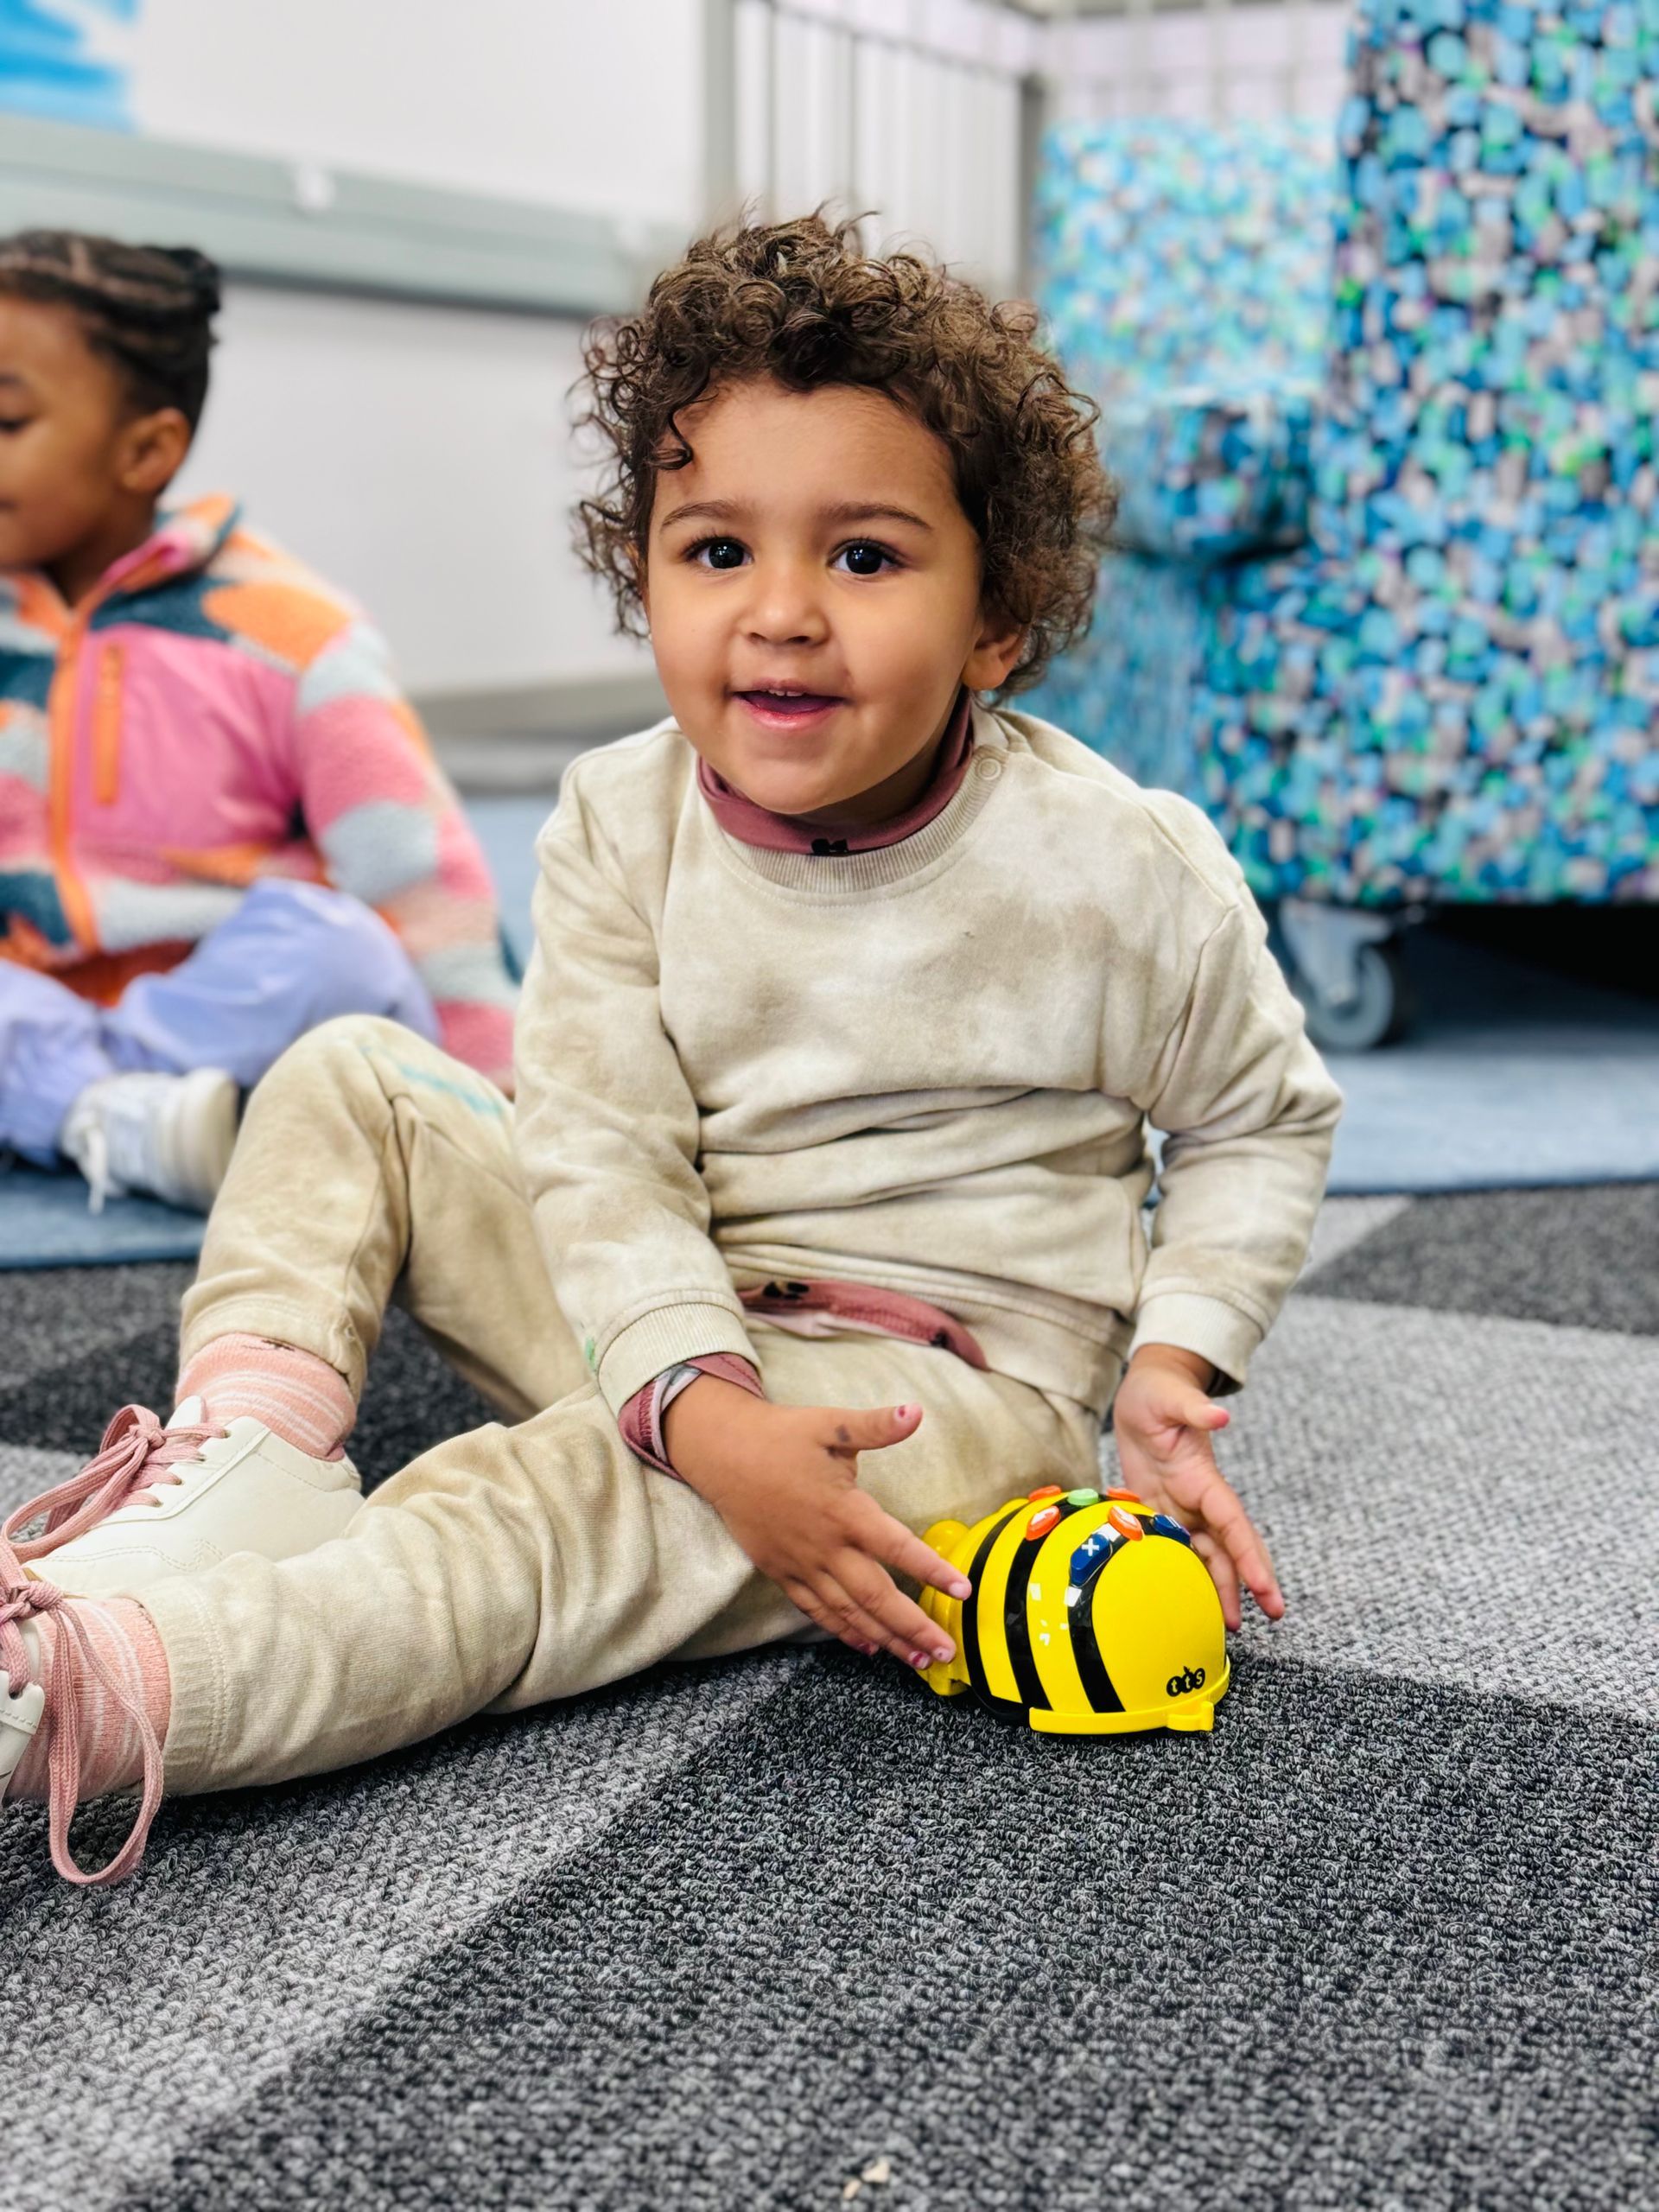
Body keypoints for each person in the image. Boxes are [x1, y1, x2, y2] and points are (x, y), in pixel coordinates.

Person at [0, 215, 1342, 1886]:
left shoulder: (1119, 864)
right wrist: (695, 1399)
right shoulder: (615, 816)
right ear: (644, 575)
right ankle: (247, 1464)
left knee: (534, 1519)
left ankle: (98, 1694)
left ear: (997, 620)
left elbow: (1259, 1121)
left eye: (863, 558)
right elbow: (600, 1150)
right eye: (716, 553)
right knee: (351, 1070)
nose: (779, 616)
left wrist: (1173, 1368)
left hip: (939, 1394)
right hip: (662, 1301)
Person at [0, 229, 516, 1212]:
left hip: (241, 998)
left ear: (145, 451)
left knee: (344, 953)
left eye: (6, 421)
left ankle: (79, 1104)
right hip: (39, 995)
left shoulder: (292, 633)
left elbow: (422, 877)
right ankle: (122, 1113)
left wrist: (497, 1091)